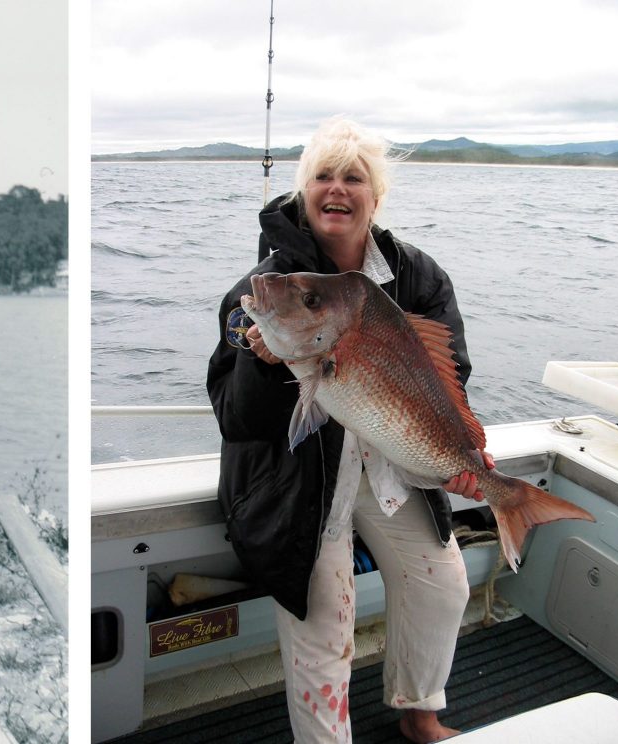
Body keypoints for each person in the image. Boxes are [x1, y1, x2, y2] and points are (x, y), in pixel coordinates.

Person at [207, 117, 493, 743]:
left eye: (354, 177)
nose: (337, 189)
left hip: (393, 463)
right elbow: (235, 418)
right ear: (303, 192)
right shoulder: (267, 293)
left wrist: (460, 458)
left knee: (443, 584)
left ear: (376, 194)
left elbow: (453, 376)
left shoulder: (417, 276)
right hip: (297, 488)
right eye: (322, 177)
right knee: (324, 631)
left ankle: (420, 714)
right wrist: (261, 362)